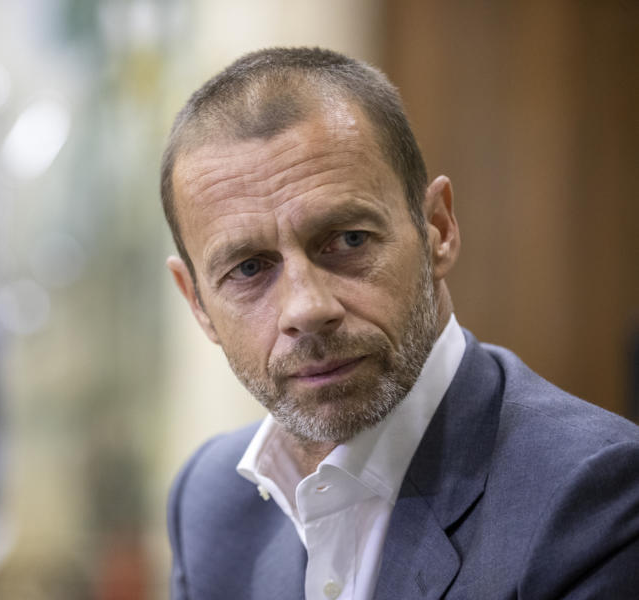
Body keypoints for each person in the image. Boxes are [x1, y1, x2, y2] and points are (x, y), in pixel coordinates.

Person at [161, 47, 639, 600]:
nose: (306, 308)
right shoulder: (209, 502)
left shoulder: (593, 499)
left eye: (348, 240)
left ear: (438, 229)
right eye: (249, 268)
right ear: (198, 303)